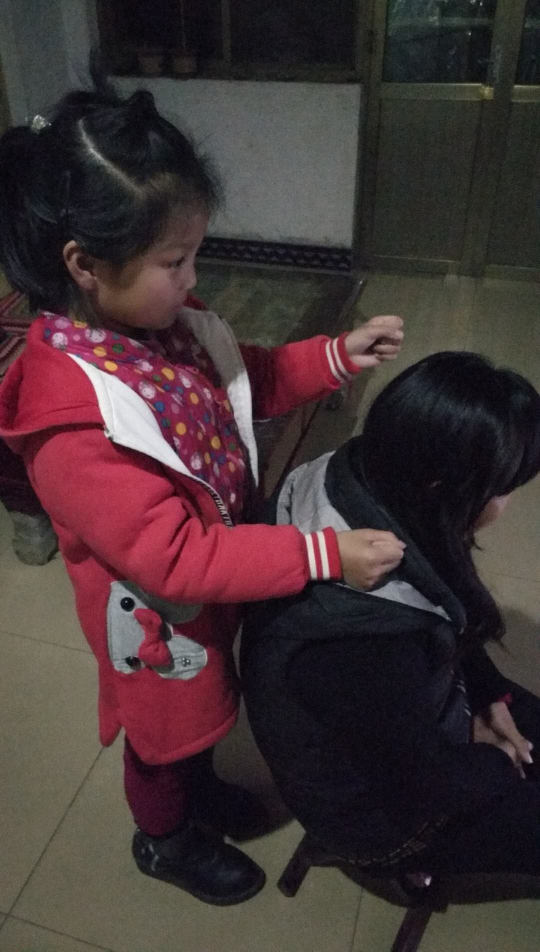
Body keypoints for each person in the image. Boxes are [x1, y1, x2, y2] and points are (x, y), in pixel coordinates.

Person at [0, 66, 405, 906]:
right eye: (175, 260)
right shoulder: (72, 421)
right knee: (164, 733)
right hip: (158, 616)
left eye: (194, 255)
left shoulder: (161, 327)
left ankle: (199, 787)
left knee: (208, 709)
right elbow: (175, 559)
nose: (193, 279)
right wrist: (322, 555)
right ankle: (164, 837)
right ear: (84, 264)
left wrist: (334, 357)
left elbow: (245, 377)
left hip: (218, 575)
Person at [241, 351, 540, 881]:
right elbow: (418, 786)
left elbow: (439, 612)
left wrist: (489, 697)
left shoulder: (359, 470)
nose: (507, 503)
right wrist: (499, 761)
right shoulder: (360, 643)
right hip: (380, 819)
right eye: (502, 489)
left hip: (407, 725)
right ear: (443, 489)